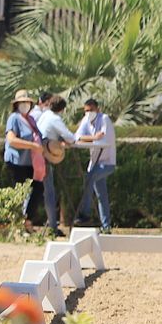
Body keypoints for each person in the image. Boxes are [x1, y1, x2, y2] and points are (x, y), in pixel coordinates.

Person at [2, 89, 46, 227]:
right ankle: (18, 223)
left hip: (29, 162)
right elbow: (11, 139)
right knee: (20, 193)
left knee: (37, 189)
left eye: (27, 102)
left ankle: (26, 220)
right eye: (22, 102)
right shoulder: (14, 118)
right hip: (16, 162)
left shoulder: (31, 119)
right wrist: (32, 146)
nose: (25, 105)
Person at [35, 95, 77, 236]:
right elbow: (70, 137)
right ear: (62, 109)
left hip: (37, 154)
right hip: (45, 155)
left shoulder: (45, 115)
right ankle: (53, 227)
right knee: (49, 193)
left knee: (40, 191)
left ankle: (50, 225)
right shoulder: (55, 119)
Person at [73, 98, 116, 233]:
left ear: (97, 109)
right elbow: (77, 136)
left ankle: (85, 214)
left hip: (107, 162)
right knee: (102, 196)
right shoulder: (86, 121)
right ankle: (106, 226)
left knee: (89, 179)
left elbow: (102, 140)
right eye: (86, 111)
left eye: (91, 110)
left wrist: (89, 139)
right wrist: (92, 138)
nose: (89, 113)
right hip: (94, 162)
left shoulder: (104, 120)